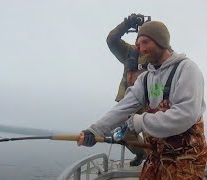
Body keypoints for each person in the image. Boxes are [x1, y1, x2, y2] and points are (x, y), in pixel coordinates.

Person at [78, 20, 207, 179]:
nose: (142, 49)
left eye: (146, 42)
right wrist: (94, 131)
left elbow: (185, 115)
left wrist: (139, 121)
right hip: (156, 155)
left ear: (161, 42)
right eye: (139, 44)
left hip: (186, 157)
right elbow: (123, 108)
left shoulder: (187, 70)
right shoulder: (145, 78)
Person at [106, 13, 150, 166]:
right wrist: (126, 24)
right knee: (124, 134)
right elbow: (111, 40)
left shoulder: (157, 52)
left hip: (149, 102)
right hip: (128, 100)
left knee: (153, 134)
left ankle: (154, 159)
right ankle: (142, 154)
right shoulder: (128, 51)